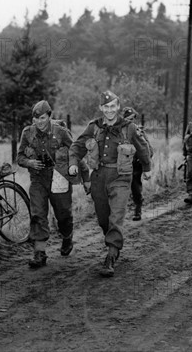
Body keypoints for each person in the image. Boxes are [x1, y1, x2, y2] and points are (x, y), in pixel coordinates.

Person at [69, 91, 152, 277]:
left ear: (118, 106)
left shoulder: (128, 127)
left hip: (121, 177)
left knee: (116, 215)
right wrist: (73, 163)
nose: (109, 110)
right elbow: (77, 146)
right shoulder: (94, 127)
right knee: (103, 218)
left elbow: (142, 147)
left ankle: (112, 254)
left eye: (113, 106)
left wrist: (147, 168)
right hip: (98, 177)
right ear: (101, 108)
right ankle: (112, 238)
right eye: (106, 107)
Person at [17, 100, 90, 268]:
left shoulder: (61, 132)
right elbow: (19, 157)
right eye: (36, 119)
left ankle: (67, 237)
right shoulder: (27, 133)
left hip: (59, 177)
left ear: (49, 116)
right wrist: (29, 163)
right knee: (37, 214)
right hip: (38, 179)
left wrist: (86, 179)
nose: (39, 122)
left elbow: (76, 155)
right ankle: (39, 253)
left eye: (42, 118)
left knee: (63, 214)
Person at [123, 107, 153, 221]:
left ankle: (137, 209)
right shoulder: (117, 131)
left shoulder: (138, 131)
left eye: (132, 119)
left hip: (135, 165)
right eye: (127, 119)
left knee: (135, 188)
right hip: (121, 165)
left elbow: (148, 149)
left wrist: (145, 161)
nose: (130, 121)